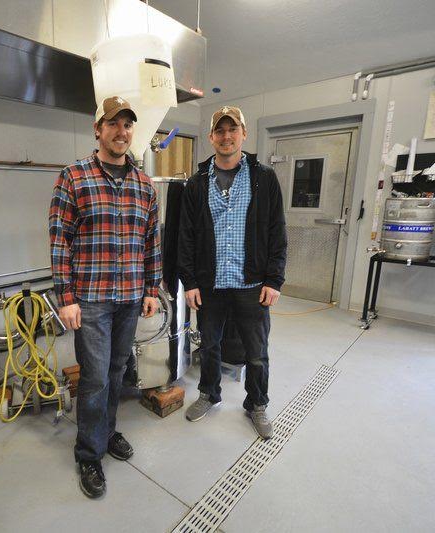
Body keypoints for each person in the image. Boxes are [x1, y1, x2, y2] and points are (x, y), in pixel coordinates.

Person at [48, 96, 162, 498]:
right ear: (98, 129)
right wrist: (66, 297)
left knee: (117, 372)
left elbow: (152, 242)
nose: (121, 131)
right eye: (113, 123)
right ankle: (89, 453)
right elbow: (60, 241)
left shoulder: (145, 185)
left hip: (130, 297)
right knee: (94, 378)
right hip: (91, 299)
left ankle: (107, 432)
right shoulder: (74, 177)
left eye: (128, 124)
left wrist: (151, 290)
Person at [177, 105, 287, 439]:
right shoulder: (196, 184)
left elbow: (277, 231)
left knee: (256, 352)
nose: (227, 137)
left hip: (252, 284)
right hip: (211, 284)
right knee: (209, 345)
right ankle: (209, 393)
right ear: (211, 137)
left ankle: (257, 403)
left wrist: (274, 279)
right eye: (220, 131)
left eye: (233, 129)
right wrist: (190, 282)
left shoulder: (264, 178)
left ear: (243, 134)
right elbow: (186, 236)